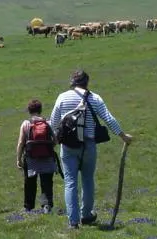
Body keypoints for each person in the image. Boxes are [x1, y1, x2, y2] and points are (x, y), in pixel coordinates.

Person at [49, 70, 133, 229]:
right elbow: (108, 118)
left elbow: (53, 122)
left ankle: (73, 221)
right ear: (87, 82)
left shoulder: (62, 97)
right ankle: (86, 215)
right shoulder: (94, 98)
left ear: (72, 82)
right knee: (87, 179)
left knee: (70, 182)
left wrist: (53, 140)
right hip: (88, 144)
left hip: (68, 145)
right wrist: (122, 135)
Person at [16, 99, 57, 213]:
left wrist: (18, 159)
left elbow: (21, 143)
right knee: (47, 181)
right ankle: (46, 205)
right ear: (40, 110)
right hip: (47, 157)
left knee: (29, 182)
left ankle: (28, 206)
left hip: (31, 158)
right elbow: (55, 140)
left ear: (29, 111)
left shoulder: (26, 124)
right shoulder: (48, 123)